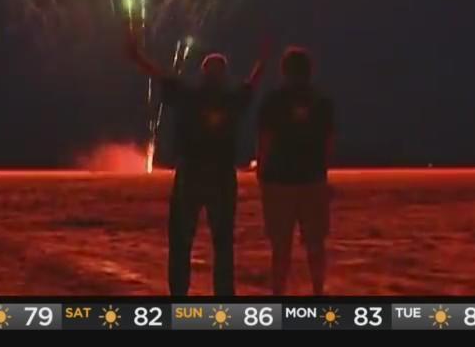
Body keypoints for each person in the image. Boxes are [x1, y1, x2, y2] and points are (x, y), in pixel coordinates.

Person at [125, 29, 266, 296]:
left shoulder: (189, 96)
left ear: (203, 73)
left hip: (190, 174)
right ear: (223, 75)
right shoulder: (231, 99)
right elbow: (252, 84)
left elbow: (160, 75)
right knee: (223, 242)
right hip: (222, 176)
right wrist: (263, 60)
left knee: (181, 240)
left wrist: (136, 57)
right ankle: (224, 298)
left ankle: (179, 296)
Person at [256, 46, 335, 296]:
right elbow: (329, 141)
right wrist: (322, 170)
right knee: (315, 243)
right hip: (313, 179)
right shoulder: (322, 101)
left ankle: (278, 294)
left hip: (280, 181)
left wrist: (262, 169)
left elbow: (265, 139)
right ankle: (318, 291)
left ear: (284, 70)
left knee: (281, 245)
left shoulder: (273, 100)